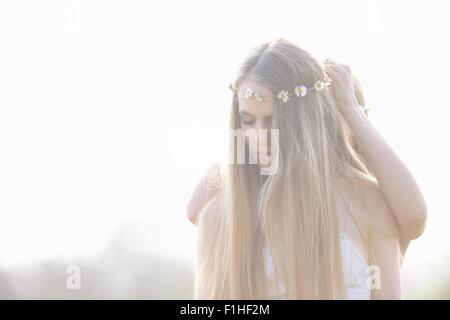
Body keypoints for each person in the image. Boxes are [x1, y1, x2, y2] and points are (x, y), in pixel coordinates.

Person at [187, 38, 427, 299]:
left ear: (305, 119)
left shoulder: (368, 204)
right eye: (247, 120)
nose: (259, 137)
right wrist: (240, 159)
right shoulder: (225, 217)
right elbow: (192, 210)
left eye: (272, 120)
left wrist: (351, 110)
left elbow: (415, 215)